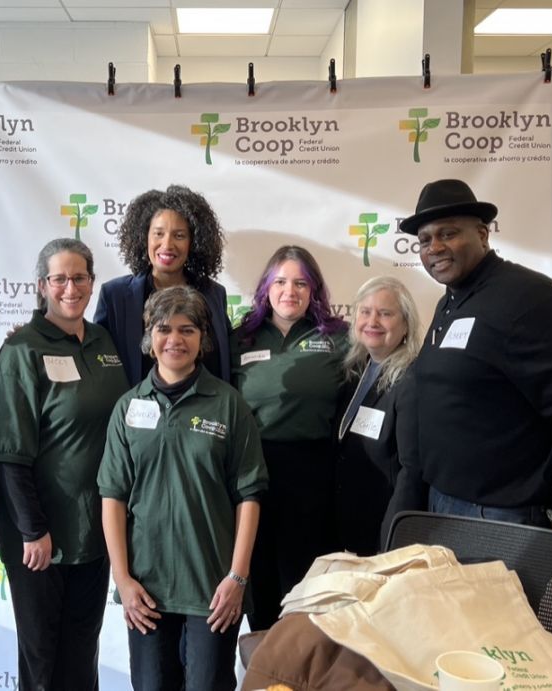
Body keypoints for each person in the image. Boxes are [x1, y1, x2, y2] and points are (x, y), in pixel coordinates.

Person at [391, 179, 552, 532]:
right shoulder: (451, 301)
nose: (434, 247)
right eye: (424, 240)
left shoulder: (530, 299)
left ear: (482, 234)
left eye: (448, 233)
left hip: (503, 515)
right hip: (444, 502)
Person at [98, 285, 268, 691]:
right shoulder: (127, 407)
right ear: (149, 338)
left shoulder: (228, 404)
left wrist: (237, 578)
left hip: (213, 590)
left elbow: (249, 496)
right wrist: (122, 579)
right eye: (164, 328)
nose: (175, 339)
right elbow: (113, 498)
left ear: (202, 338)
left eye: (187, 329)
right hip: (146, 590)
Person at [0, 238, 128, 691]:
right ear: (42, 285)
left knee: (82, 653)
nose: (70, 288)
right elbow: (8, 454)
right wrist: (32, 530)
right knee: (42, 661)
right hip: (41, 537)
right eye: (59, 278)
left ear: (92, 282)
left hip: (95, 531)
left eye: (79, 277)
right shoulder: (22, 350)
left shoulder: (104, 341)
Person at [230, 245, 349, 631]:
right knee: (261, 586)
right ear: (266, 288)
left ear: (314, 290)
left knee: (308, 594)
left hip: (315, 479)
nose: (289, 291)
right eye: (280, 282)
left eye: (301, 283)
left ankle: (304, 664)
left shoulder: (339, 338)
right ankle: (265, 664)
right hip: (253, 476)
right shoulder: (240, 339)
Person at [94, 184, 232, 385]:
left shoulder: (213, 294)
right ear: (144, 238)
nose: (167, 245)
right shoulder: (115, 296)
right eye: (158, 234)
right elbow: (100, 363)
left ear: (193, 242)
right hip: (135, 404)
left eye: (179, 235)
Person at [335, 276, 421, 556]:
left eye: (385, 313)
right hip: (350, 522)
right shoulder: (356, 371)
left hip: (383, 531)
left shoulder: (411, 380)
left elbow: (411, 470)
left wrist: (392, 537)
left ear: (406, 324)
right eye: (365, 311)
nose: (372, 321)